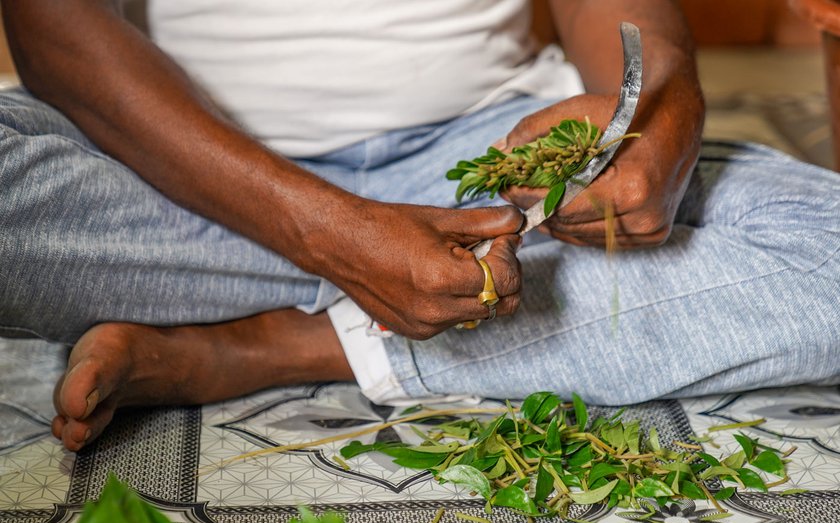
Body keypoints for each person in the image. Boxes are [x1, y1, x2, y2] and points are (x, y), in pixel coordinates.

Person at [0, 0, 837, 452]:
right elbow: (53, 30)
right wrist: (332, 233)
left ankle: (266, 344)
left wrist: (658, 115)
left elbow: (619, 16)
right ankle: (412, 277)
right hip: (186, 170)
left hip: (486, 151)